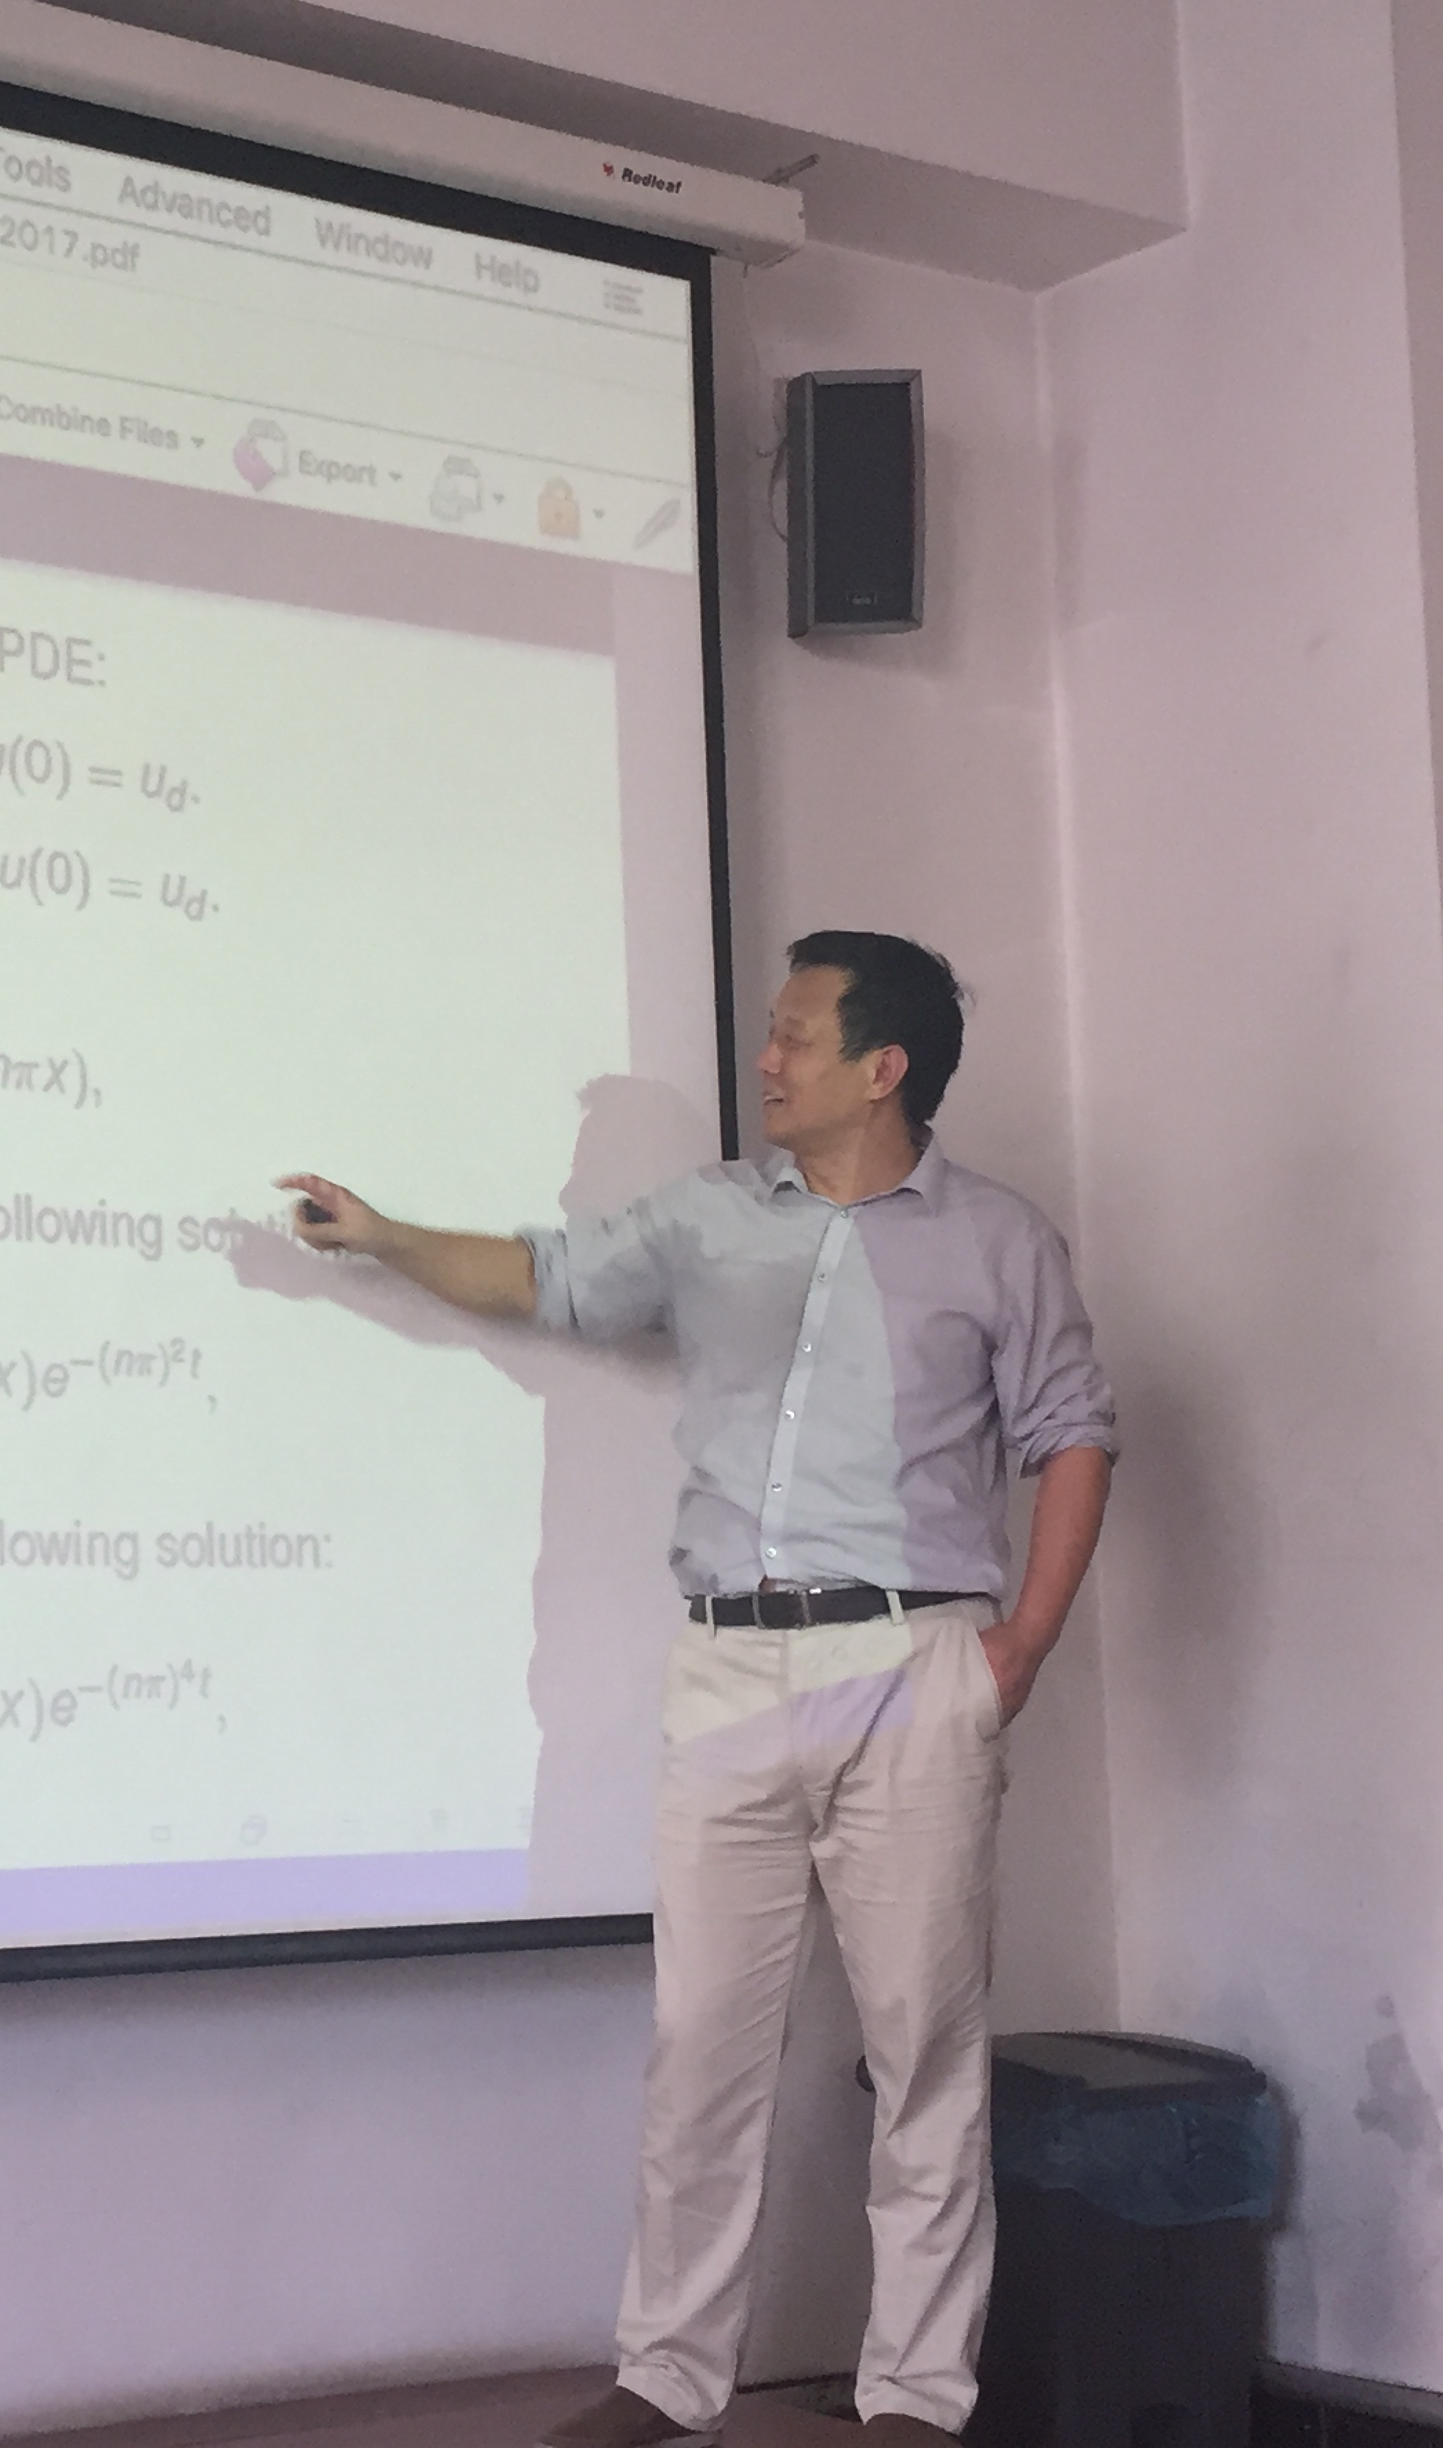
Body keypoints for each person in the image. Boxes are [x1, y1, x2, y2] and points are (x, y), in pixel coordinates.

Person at [278, 932, 1114, 2448]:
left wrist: (1026, 1643)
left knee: (925, 2050)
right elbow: (546, 1275)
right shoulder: (712, 1215)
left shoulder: (1001, 1240)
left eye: (796, 1035)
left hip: (913, 1661)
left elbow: (1072, 1432)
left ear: (884, 1067)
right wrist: (385, 1235)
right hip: (731, 1660)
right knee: (701, 2050)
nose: (766, 1060)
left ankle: (916, 2398)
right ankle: (668, 2378)